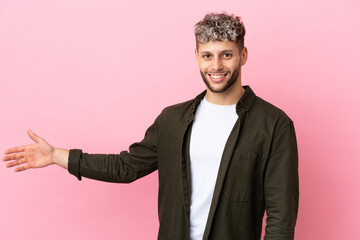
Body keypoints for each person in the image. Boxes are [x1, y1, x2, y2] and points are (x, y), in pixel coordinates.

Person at [3, 12, 299, 240]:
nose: (216, 66)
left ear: (242, 55)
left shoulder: (274, 125)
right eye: (208, 55)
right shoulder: (172, 120)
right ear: (196, 57)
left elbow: (280, 216)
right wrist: (56, 155)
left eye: (226, 54)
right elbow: (126, 167)